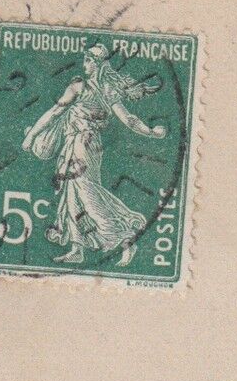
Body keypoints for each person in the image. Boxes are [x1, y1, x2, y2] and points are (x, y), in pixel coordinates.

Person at [22, 43, 167, 266]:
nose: (85, 64)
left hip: (84, 143)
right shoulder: (91, 88)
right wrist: (31, 136)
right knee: (73, 194)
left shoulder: (93, 89)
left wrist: (150, 132)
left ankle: (125, 236)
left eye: (89, 61)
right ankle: (77, 247)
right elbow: (55, 112)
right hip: (79, 145)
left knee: (86, 191)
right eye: (85, 60)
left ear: (98, 64)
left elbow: (127, 119)